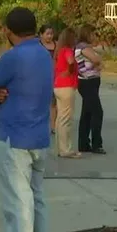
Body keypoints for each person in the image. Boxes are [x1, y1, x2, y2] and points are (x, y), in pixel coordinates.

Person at [0, 7, 53, 232]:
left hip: (15, 137)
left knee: (17, 200)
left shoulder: (13, 57)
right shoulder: (45, 55)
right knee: (36, 198)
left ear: (8, 31)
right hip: (40, 136)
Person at [75, 25, 105, 154]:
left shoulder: (86, 47)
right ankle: (96, 144)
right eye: (92, 34)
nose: (94, 37)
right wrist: (97, 62)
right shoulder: (83, 47)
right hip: (87, 82)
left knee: (87, 113)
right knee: (97, 112)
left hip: (91, 81)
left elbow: (99, 64)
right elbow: (96, 59)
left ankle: (83, 143)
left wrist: (98, 64)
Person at [53, 28, 80, 158]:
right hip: (67, 86)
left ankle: (60, 148)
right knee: (66, 119)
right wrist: (70, 70)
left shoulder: (59, 51)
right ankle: (66, 149)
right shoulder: (68, 51)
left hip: (58, 85)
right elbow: (70, 62)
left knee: (60, 118)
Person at [39, 25, 57, 134]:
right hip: (41, 77)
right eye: (47, 34)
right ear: (41, 35)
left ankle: (53, 126)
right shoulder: (38, 46)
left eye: (51, 33)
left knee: (53, 103)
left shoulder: (56, 45)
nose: (50, 36)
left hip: (55, 77)